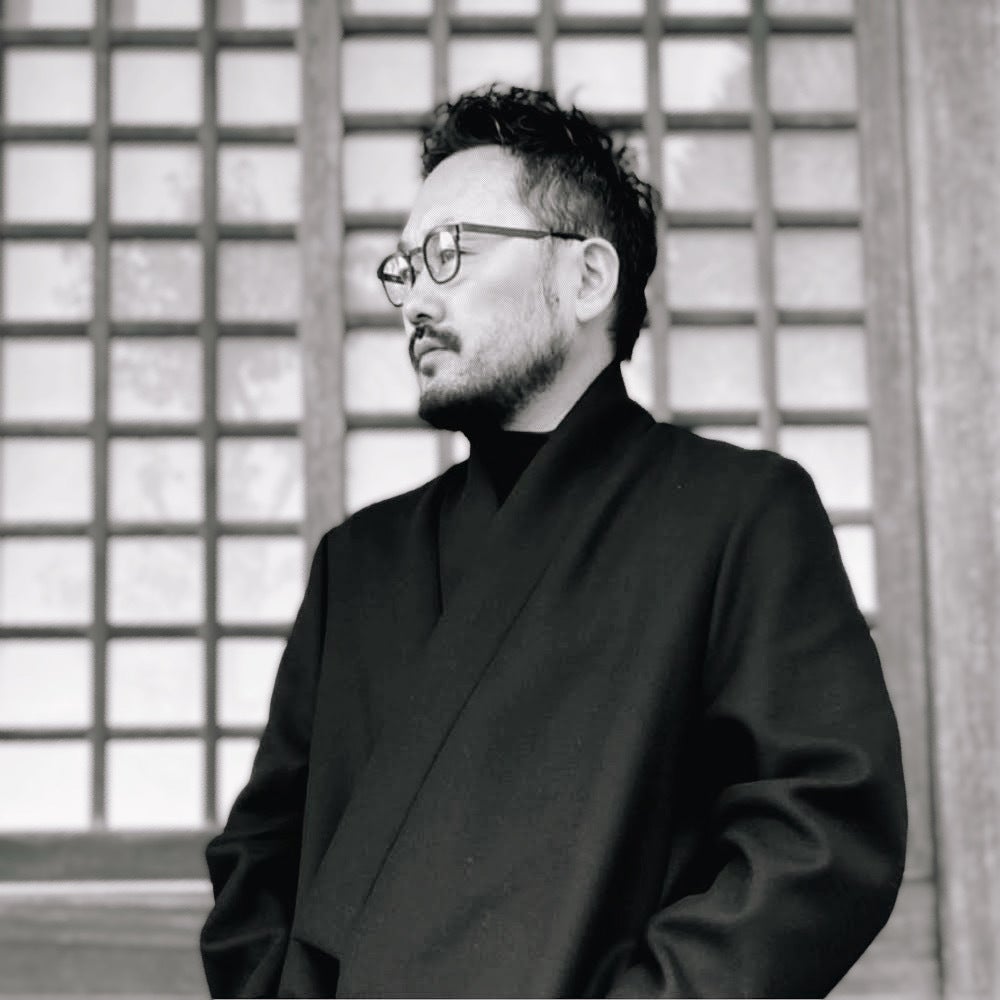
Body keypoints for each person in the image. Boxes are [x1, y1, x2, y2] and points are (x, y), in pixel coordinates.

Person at [200, 86, 907, 998]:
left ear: (586, 278)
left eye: (450, 252)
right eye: (405, 266)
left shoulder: (735, 515)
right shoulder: (360, 564)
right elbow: (258, 855)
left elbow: (823, 828)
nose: (415, 298)